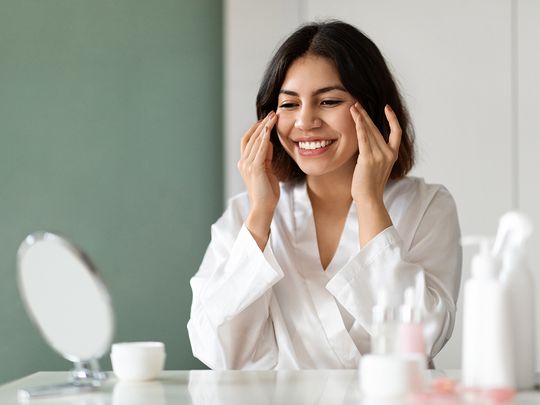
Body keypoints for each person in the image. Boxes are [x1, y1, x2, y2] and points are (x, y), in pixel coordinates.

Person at [187, 20, 462, 370]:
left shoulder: (427, 206)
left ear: (374, 109)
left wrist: (370, 202)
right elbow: (217, 352)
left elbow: (423, 339)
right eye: (288, 105)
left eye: (328, 101)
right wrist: (260, 217)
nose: (304, 121)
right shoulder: (246, 214)